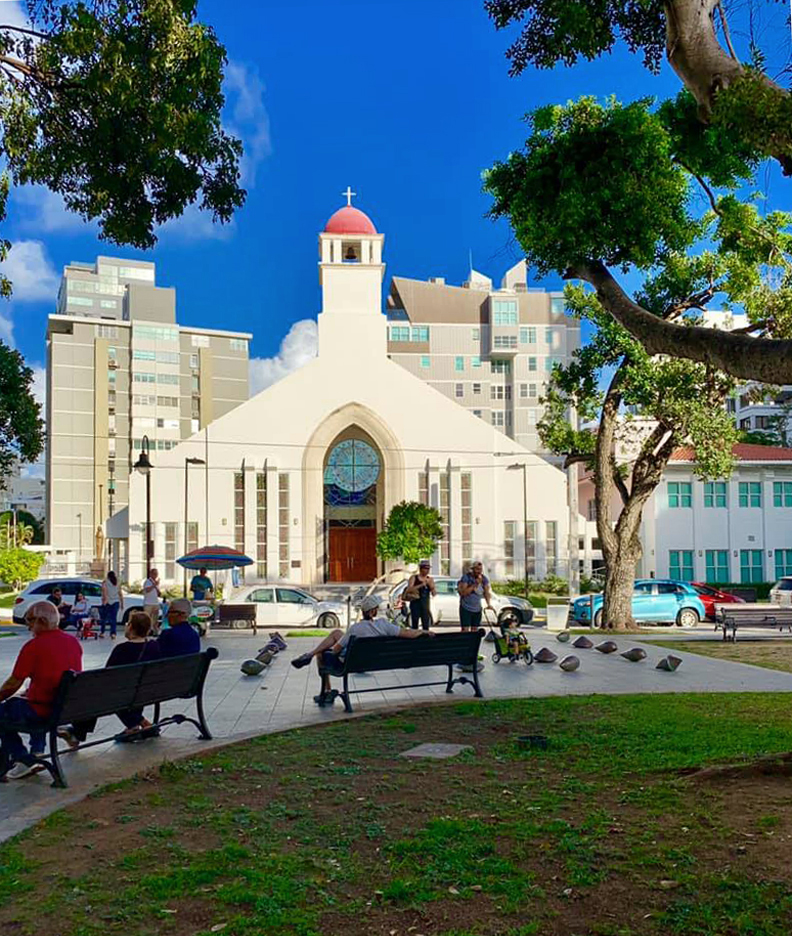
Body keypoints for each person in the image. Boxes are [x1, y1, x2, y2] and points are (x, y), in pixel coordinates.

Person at [290, 594, 433, 705]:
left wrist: (330, 650)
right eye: (377, 607)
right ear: (372, 612)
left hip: (351, 663)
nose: (378, 609)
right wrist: (424, 632)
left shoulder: (355, 629)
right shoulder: (384, 625)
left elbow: (336, 650)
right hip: (374, 660)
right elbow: (408, 633)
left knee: (322, 652)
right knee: (337, 633)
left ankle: (323, 683)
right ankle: (311, 657)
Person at [0, 601, 82, 780]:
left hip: (43, 709)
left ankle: (23, 759)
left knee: (6, 710)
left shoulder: (34, 647)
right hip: (63, 709)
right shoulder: (72, 641)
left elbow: (13, 683)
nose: (27, 625)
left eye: (29, 620)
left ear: (42, 621)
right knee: (28, 699)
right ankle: (37, 752)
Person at [59, 611, 162, 748]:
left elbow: (107, 676)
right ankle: (137, 724)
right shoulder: (153, 646)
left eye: (127, 624)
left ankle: (78, 734)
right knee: (125, 692)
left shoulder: (122, 649)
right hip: (145, 691)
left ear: (131, 627)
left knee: (91, 695)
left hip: (123, 694)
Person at [457, 560, 493, 631]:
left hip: (477, 609)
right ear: (472, 569)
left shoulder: (484, 579)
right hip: (466, 608)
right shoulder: (466, 577)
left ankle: (472, 641)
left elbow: (486, 592)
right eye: (477, 569)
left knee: (475, 630)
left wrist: (489, 603)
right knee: (465, 630)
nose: (479, 571)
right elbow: (463, 593)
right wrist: (475, 584)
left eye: (480, 569)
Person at [405, 561, 436, 631]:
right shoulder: (414, 578)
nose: (427, 570)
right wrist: (421, 585)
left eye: (428, 569)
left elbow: (434, 594)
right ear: (421, 569)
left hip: (425, 604)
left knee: (425, 624)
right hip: (415, 603)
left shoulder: (430, 579)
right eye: (425, 568)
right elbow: (409, 589)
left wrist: (432, 587)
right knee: (415, 624)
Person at [100, 570, 124, 639]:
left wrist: (104, 601)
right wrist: (122, 603)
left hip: (107, 602)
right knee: (113, 618)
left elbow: (104, 592)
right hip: (116, 601)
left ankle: (102, 632)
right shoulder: (118, 582)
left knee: (104, 618)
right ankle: (113, 633)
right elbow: (120, 593)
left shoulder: (105, 582)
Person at [143, 568, 161, 635]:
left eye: (156, 574)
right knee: (147, 619)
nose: (155, 575)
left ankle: (155, 632)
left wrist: (158, 590)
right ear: (150, 574)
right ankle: (147, 631)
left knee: (155, 619)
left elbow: (158, 594)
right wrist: (154, 585)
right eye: (154, 573)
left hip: (155, 603)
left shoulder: (156, 582)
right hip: (148, 603)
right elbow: (147, 590)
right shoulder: (147, 582)